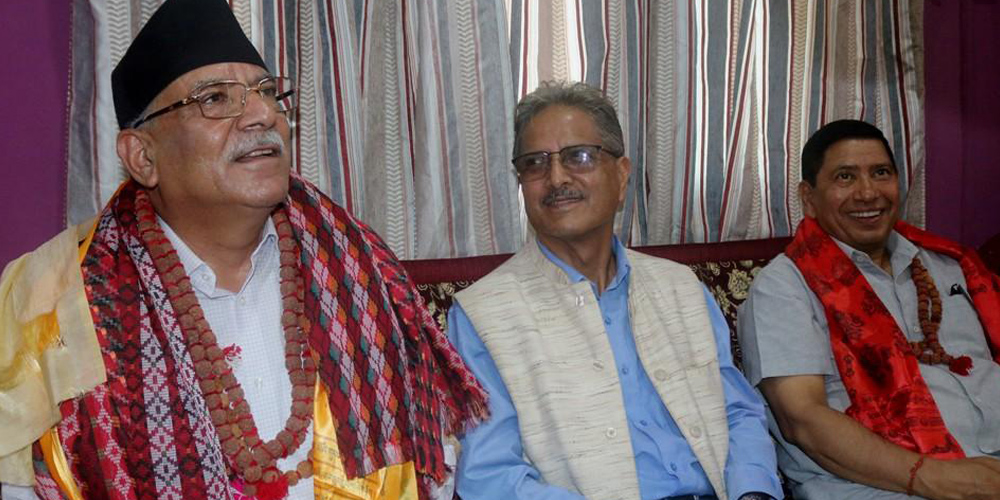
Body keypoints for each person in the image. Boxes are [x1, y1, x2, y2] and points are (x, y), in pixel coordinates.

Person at [0, 0, 487, 499]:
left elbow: (433, 467)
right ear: (142, 157)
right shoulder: (49, 300)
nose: (263, 115)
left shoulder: (361, 269)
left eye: (268, 92)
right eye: (214, 98)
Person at [446, 81, 781, 500]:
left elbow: (739, 412)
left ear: (621, 176)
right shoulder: (482, 315)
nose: (556, 177)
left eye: (579, 156)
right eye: (535, 163)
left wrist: (753, 491)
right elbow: (490, 475)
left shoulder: (680, 287)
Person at [738, 119, 1000, 499]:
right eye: (845, 177)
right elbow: (803, 420)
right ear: (808, 198)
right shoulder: (784, 288)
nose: (868, 193)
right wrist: (937, 479)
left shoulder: (948, 264)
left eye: (881, 173)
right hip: (884, 485)